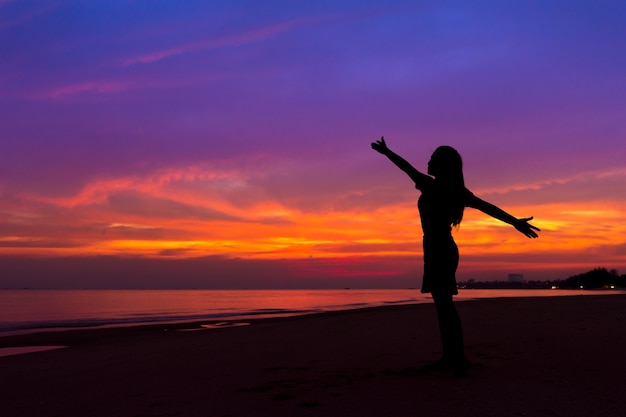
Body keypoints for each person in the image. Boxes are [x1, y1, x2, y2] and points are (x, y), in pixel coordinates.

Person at [371, 137, 539, 375]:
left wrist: (387, 152)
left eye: (433, 159)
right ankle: (454, 357)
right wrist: (514, 222)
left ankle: (455, 359)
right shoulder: (457, 191)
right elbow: (487, 207)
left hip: (438, 248)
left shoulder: (432, 186)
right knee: (444, 306)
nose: (428, 162)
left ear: (442, 165)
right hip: (442, 247)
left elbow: (406, 168)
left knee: (444, 306)